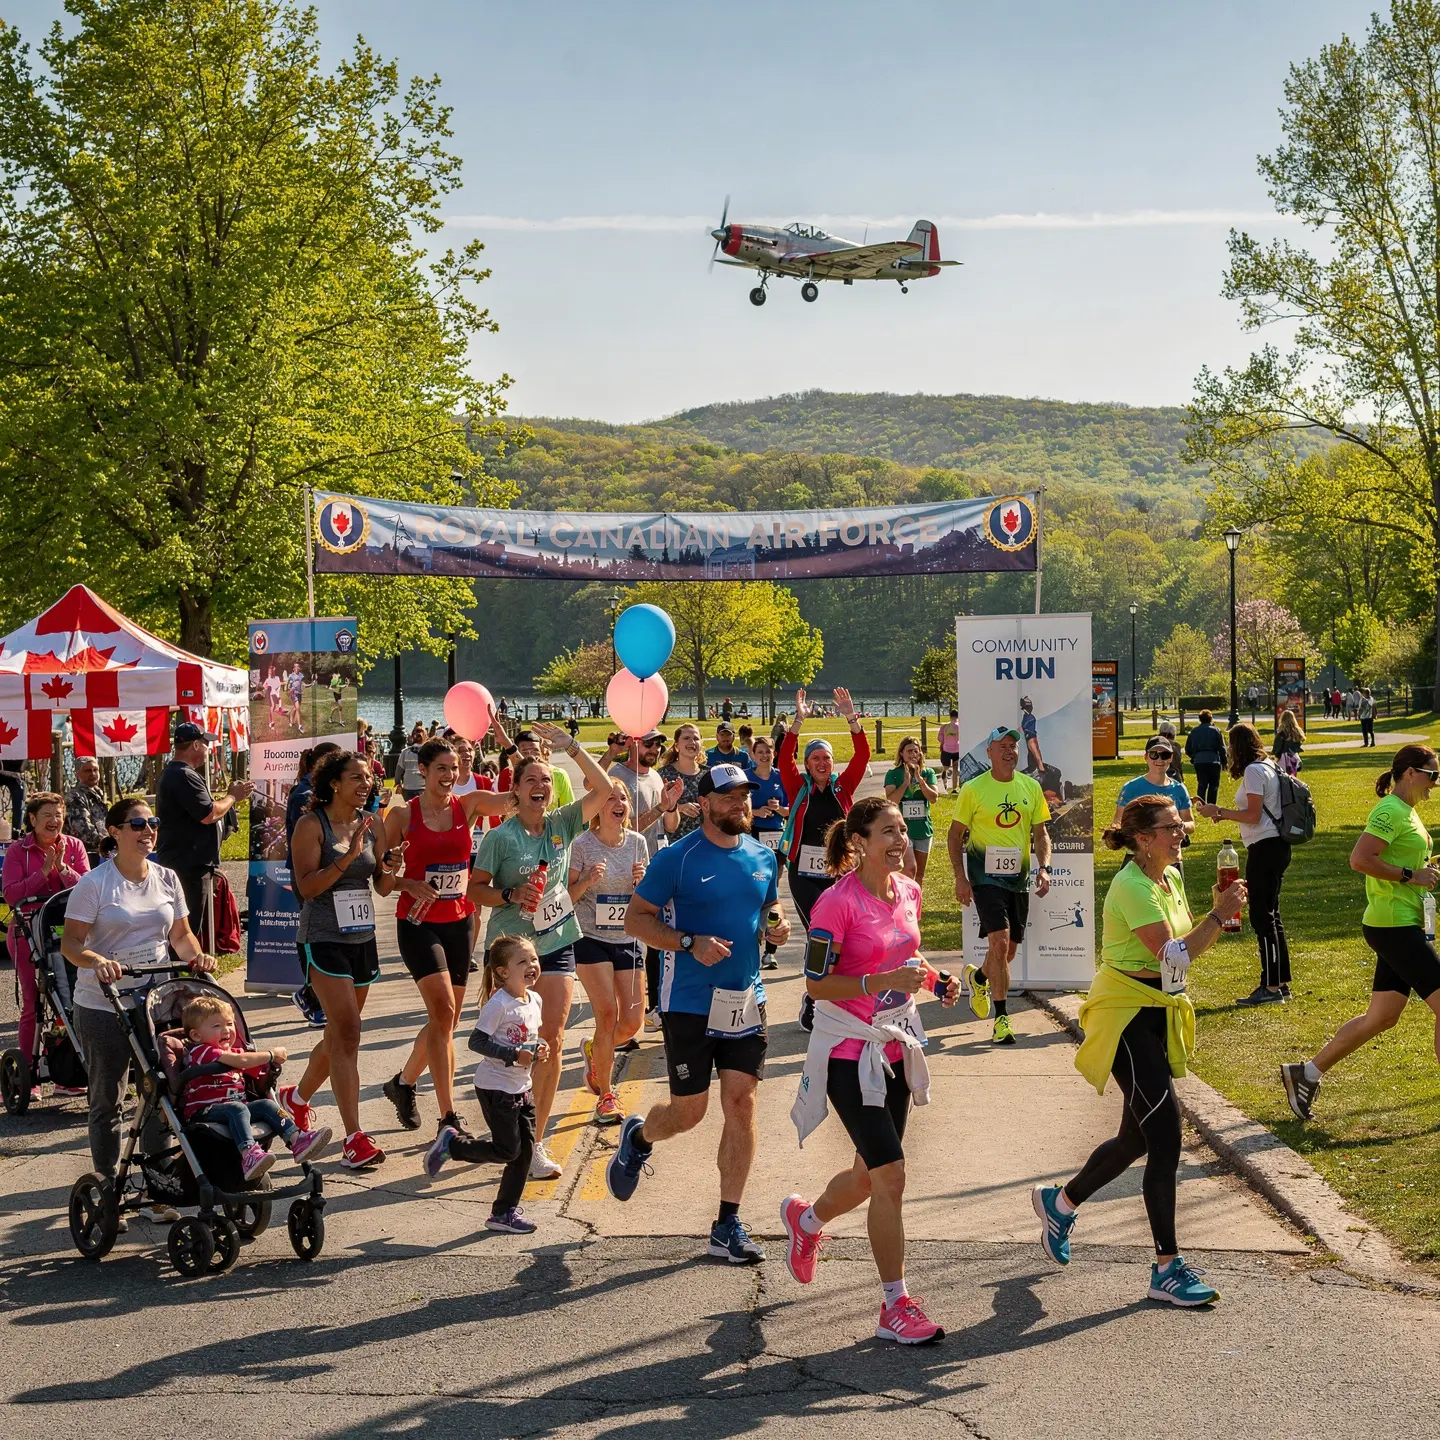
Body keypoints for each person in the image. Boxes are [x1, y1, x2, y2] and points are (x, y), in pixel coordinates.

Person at [1031, 794, 1246, 1306]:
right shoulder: (1131, 885)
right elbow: (1172, 952)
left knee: (1136, 1138)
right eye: (1171, 828)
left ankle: (1060, 1203)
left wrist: (1218, 919)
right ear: (1143, 838)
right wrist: (1218, 917)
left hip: (1157, 1010)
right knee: (1166, 1135)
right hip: (1124, 1014)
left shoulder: (1169, 876)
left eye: (1179, 825)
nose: (1181, 833)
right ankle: (1167, 1268)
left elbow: (1181, 955)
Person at [782, 796, 958, 1344]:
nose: (901, 839)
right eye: (889, 830)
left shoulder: (908, 890)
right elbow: (815, 986)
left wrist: (935, 982)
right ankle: (893, 1306)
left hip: (892, 1047)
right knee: (891, 1177)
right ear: (859, 841)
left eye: (904, 829)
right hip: (845, 1052)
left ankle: (806, 1221)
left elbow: (909, 958)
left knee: (866, 1176)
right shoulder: (836, 904)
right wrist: (878, 983)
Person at [607, 762, 791, 1263]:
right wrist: (689, 942)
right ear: (705, 803)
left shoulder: (762, 855)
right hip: (688, 1001)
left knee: (742, 1104)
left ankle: (727, 1223)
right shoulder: (677, 859)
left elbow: (770, 910)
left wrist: (777, 929)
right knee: (689, 1113)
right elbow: (636, 920)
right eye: (729, 797)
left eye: (745, 796)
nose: (740, 804)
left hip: (746, 999)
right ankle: (640, 1136)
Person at [62, 796, 217, 1226]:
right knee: (107, 1100)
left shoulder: (167, 877)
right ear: (115, 832)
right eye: (138, 823)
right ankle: (108, 1185)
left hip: (155, 1002)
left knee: (160, 1092)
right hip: (102, 1003)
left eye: (154, 822)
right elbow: (71, 944)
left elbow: (182, 935)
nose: (148, 830)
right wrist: (97, 961)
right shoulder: (95, 884)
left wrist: (197, 957)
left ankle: (158, 1188)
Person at [470, 722, 614, 1178]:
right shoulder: (500, 838)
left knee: (550, 1040)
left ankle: (534, 1141)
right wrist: (510, 896)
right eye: (530, 780)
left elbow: (606, 787)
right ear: (514, 790)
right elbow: (477, 891)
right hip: (512, 949)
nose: (540, 786)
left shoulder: (562, 824)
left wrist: (571, 746)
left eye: (546, 781)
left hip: (556, 941)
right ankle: (506, 1113)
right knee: (515, 1042)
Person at [1281, 745, 1440, 1121]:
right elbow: (1360, 859)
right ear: (1411, 773)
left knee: (1382, 1017)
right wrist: (1410, 876)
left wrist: (1424, 868)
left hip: (1398, 921)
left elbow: (1400, 861)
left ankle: (1305, 1074)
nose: (1437, 783)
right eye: (1433, 775)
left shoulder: (1408, 812)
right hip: (1393, 925)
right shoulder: (1390, 810)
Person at [380, 738, 512, 1142]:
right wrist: (405, 879)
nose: (449, 776)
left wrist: (518, 752)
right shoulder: (402, 815)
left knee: (447, 1021)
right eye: (441, 769)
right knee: (443, 1012)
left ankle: (402, 1083)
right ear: (422, 770)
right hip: (419, 923)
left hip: (460, 921)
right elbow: (384, 885)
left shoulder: (467, 804)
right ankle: (448, 1115)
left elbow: (516, 797)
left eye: (454, 769)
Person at [281, 750, 400, 1168]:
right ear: (334, 783)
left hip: (362, 937)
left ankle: (295, 1099)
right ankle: (355, 1137)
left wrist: (392, 868)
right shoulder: (311, 825)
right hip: (322, 938)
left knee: (339, 1034)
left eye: (369, 777)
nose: (366, 783)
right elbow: (307, 887)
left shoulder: (374, 824)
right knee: (348, 1031)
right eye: (356, 777)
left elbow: (383, 887)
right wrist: (347, 858)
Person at [425, 936, 549, 1232]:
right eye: (522, 961)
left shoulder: (535, 1000)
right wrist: (512, 1055)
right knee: (508, 1151)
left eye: (533, 959)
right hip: (496, 1089)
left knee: (525, 1152)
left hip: (522, 1087)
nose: (532, 965)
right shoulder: (499, 1004)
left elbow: (526, 1041)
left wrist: (538, 1050)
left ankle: (503, 1213)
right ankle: (453, 1145)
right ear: (503, 972)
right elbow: (476, 1041)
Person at [947, 725, 1052, 1044]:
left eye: (1013, 746)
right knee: (1001, 942)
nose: (1009, 750)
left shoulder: (1030, 787)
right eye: (1001, 745)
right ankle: (1002, 1018)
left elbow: (1041, 833)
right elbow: (954, 835)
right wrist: (961, 877)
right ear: (989, 752)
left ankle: (978, 977)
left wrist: (1044, 867)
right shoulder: (974, 789)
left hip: (1017, 879)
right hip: (984, 876)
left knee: (1007, 952)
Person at [179, 994, 330, 1180]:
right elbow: (242, 1060)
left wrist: (271, 1066)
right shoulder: (201, 1051)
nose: (226, 1030)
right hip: (205, 1110)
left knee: (267, 1105)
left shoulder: (232, 1051)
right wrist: (270, 1054)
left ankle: (296, 1139)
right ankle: (249, 1153)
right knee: (237, 1108)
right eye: (217, 1026)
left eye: (229, 1023)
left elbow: (251, 1064)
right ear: (196, 1035)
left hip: (236, 1107)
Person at [568, 782, 649, 1124]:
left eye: (624, 799)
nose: (619, 804)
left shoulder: (638, 844)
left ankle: (594, 1049)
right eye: (611, 798)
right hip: (590, 936)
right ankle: (605, 1096)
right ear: (598, 806)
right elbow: (567, 897)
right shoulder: (582, 845)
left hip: (628, 938)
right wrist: (585, 880)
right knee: (606, 1014)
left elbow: (647, 899)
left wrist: (642, 882)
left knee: (631, 1023)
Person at [1195, 721, 1290, 1006]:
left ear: (1237, 746)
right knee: (1272, 915)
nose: (1227, 750)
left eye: (1229, 744)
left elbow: (1253, 815)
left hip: (1265, 846)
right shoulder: (1270, 765)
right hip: (1276, 846)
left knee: (1263, 916)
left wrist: (1219, 811)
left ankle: (1270, 987)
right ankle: (1280, 983)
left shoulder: (1253, 771)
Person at [3, 793, 90, 1102]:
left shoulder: (74, 846)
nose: (54, 820)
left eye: (59, 814)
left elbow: (86, 888)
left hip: (66, 933)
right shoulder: (18, 851)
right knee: (33, 1002)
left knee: (70, 1000)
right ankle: (29, 1074)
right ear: (32, 820)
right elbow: (12, 896)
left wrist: (63, 868)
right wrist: (42, 872)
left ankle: (69, 1070)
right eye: (47, 815)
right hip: (27, 932)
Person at [777, 687, 872, 934]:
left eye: (826, 758)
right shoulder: (798, 787)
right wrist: (799, 720)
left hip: (840, 868)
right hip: (803, 873)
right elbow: (784, 758)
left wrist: (852, 718)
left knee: (842, 931)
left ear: (832, 763)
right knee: (818, 931)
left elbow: (862, 755)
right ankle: (818, 973)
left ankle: (839, 972)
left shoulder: (843, 786)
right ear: (807, 764)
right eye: (815, 758)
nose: (821, 763)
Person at [154, 721, 253, 951]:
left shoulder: (178, 773)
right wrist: (232, 797)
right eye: (206, 743)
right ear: (196, 745)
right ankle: (181, 975)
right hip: (188, 864)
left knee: (187, 925)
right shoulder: (183, 775)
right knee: (187, 927)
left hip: (187, 860)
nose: (208, 749)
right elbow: (208, 814)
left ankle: (183, 970)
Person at [608, 730, 682, 1010]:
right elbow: (624, 827)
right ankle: (628, 1008)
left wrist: (670, 807)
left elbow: (670, 827)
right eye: (649, 743)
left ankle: (653, 1005)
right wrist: (660, 808)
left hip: (655, 865)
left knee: (656, 938)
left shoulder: (655, 776)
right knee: (631, 938)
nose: (654, 749)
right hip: (627, 867)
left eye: (658, 744)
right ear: (634, 743)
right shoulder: (618, 775)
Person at [286, 743, 344, 1029]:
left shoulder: (322, 795)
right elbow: (310, 840)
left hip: (333, 876)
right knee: (311, 933)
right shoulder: (303, 796)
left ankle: (320, 996)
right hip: (309, 877)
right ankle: (311, 996)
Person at [746, 735, 790, 969]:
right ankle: (752, 937)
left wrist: (779, 809)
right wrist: (756, 811)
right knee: (753, 890)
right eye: (760, 751)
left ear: (774, 753)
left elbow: (790, 810)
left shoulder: (780, 777)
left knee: (772, 894)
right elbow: (739, 808)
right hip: (752, 837)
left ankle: (770, 951)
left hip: (776, 841)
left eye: (768, 751)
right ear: (753, 754)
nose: (764, 755)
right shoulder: (746, 776)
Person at [1113, 738, 1194, 839]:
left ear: (1171, 758)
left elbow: (1190, 824)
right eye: (1153, 755)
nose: (1159, 760)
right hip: (1139, 851)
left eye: (1165, 755)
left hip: (1172, 850)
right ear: (1146, 757)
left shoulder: (1179, 789)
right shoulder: (1131, 788)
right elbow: (1118, 823)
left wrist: (1178, 825)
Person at [884, 737, 939, 884]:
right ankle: (901, 902)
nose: (913, 754)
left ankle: (916, 905)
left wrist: (920, 781)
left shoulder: (928, 773)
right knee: (909, 868)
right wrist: (906, 783)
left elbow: (933, 798)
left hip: (923, 830)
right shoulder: (893, 774)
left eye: (916, 751)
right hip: (902, 831)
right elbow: (891, 802)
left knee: (919, 873)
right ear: (901, 753)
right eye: (909, 751)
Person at [659, 724, 705, 843]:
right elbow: (655, 809)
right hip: (675, 844)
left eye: (696, 738)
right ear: (677, 746)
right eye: (686, 738)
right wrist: (679, 808)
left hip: (706, 843)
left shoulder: (710, 774)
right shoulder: (663, 774)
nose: (692, 742)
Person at [64, 758, 110, 865]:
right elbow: (82, 828)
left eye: (95, 770)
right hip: (83, 854)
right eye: (88, 771)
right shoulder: (75, 797)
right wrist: (105, 842)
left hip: (101, 851)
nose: (93, 773)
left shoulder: (98, 793)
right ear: (78, 774)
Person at [1184, 709, 1227, 807]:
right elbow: (1221, 747)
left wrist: (1194, 757)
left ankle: (1201, 804)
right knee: (1214, 784)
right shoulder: (1216, 730)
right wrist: (1224, 761)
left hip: (1199, 761)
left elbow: (1187, 748)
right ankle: (1211, 805)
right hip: (1213, 760)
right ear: (1211, 719)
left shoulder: (1194, 731)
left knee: (1202, 783)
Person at [1273, 709, 1305, 774]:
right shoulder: (1297, 734)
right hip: (1294, 761)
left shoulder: (1281, 735)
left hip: (1283, 762)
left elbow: (1277, 752)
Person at [937, 709, 961, 793]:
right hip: (957, 750)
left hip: (946, 750)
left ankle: (944, 773)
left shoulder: (944, 727)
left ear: (950, 716)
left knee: (946, 767)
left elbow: (939, 738)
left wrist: (943, 742)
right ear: (958, 716)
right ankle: (954, 788)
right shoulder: (960, 726)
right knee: (955, 768)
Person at [287, 660, 306, 733]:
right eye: (296, 666)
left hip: (299, 694)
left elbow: (303, 684)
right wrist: (289, 689)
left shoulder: (301, 675)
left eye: (298, 666)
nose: (297, 667)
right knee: (298, 708)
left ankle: (291, 720)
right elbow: (288, 684)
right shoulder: (291, 676)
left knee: (295, 708)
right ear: (293, 668)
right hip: (293, 694)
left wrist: (309, 684)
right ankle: (300, 726)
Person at [263, 665, 284, 731]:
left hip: (275, 693)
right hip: (270, 694)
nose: (271, 673)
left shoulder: (277, 678)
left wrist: (277, 691)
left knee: (276, 703)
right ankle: (271, 723)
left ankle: (279, 709)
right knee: (273, 706)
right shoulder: (268, 679)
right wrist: (266, 686)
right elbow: (264, 686)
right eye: (270, 672)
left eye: (272, 672)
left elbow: (278, 686)